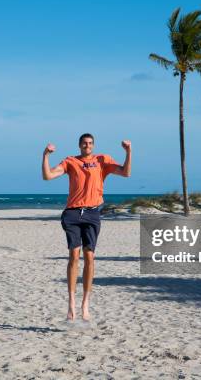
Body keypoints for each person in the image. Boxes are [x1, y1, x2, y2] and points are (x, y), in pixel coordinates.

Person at [42, 133, 131, 321]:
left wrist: (128, 151)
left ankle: (85, 305)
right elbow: (48, 176)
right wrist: (46, 155)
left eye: (90, 143)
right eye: (84, 143)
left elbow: (125, 172)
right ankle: (71, 304)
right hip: (73, 213)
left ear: (93, 145)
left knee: (90, 256)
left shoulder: (102, 160)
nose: (87, 146)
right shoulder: (71, 161)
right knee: (74, 255)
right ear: (80, 145)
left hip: (92, 213)